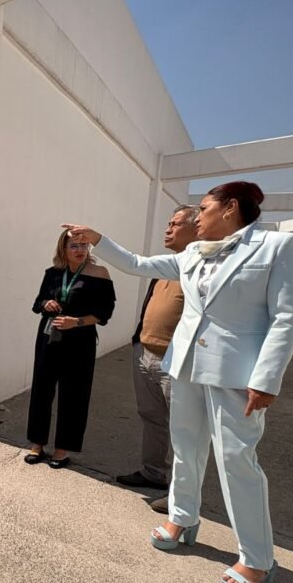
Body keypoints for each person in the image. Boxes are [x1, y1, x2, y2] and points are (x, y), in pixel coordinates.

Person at [66, 181, 293, 583]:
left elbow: (286, 316)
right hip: (186, 366)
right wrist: (98, 239)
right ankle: (183, 517)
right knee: (185, 447)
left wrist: (267, 379)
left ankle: (257, 559)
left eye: (204, 208)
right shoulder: (193, 253)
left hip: (236, 375)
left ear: (230, 208)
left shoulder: (277, 246)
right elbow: (138, 263)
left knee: (236, 461)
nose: (197, 217)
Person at [115, 206, 199, 513]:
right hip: (145, 354)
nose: (168, 229)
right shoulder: (165, 267)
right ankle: (154, 473)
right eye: (168, 223)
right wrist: (138, 340)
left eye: (175, 224)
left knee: (183, 429)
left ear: (196, 228)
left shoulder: (199, 270)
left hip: (176, 362)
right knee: (151, 417)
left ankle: (181, 495)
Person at [25, 230, 116, 469]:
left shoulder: (100, 274)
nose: (80, 250)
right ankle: (37, 444)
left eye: (84, 245)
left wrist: (75, 322)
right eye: (74, 246)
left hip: (80, 340)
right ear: (63, 249)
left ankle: (62, 450)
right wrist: (46, 303)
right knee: (41, 390)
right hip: (49, 337)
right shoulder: (53, 273)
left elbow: (105, 312)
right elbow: (37, 303)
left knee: (74, 393)